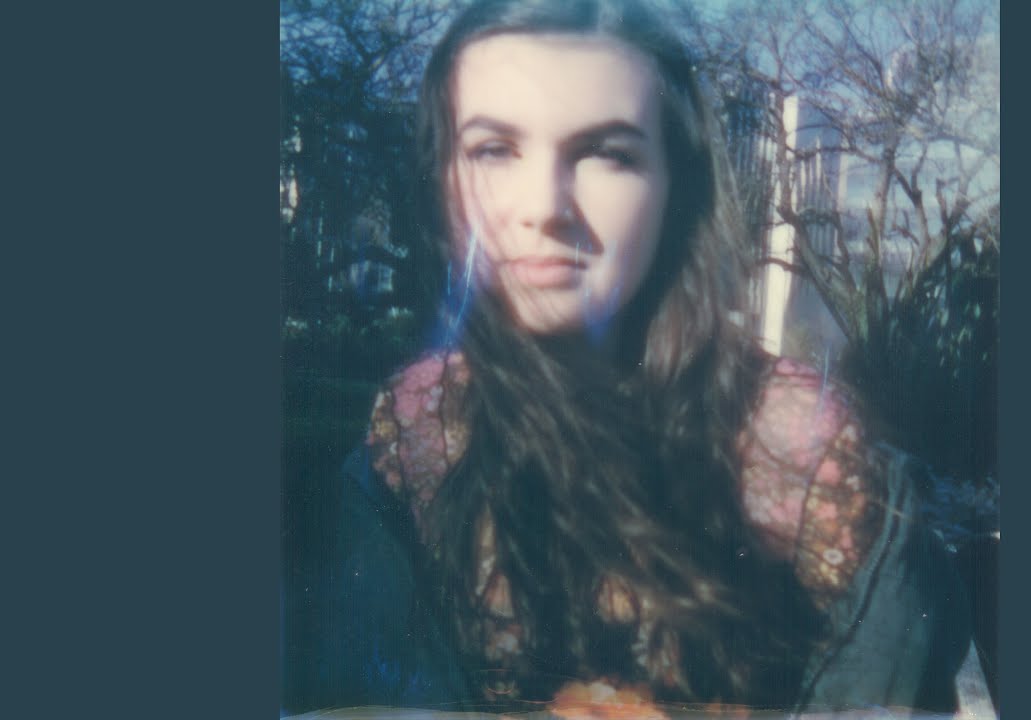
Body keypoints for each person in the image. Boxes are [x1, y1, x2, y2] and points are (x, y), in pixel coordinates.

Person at [309, 0, 972, 715]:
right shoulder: (412, 443)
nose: (545, 205)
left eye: (608, 153)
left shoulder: (809, 458)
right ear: (441, 181)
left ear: (675, 188)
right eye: (494, 149)